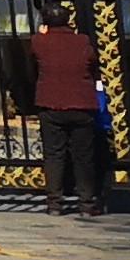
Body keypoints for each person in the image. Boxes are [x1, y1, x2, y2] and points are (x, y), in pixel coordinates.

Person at [31, 15, 109, 215]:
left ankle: (54, 203)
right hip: (81, 104)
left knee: (54, 155)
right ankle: (86, 203)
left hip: (51, 104)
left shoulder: (40, 41)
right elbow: (92, 64)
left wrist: (42, 33)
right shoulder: (82, 41)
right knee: (83, 156)